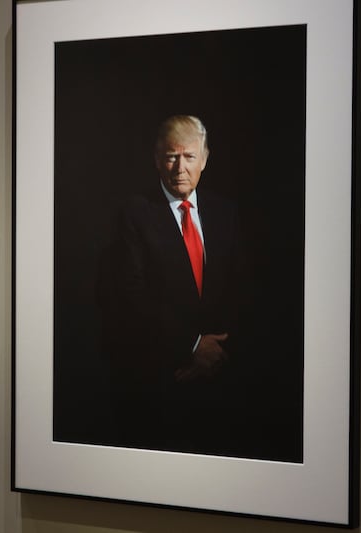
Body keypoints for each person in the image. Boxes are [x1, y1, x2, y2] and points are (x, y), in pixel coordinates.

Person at [97, 115, 247, 455]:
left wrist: (217, 352)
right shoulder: (134, 213)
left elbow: (242, 290)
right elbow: (129, 296)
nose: (180, 167)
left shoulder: (226, 213)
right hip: (160, 382)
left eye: (189, 156)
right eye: (171, 156)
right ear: (156, 159)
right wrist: (192, 346)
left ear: (205, 160)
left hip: (221, 382)